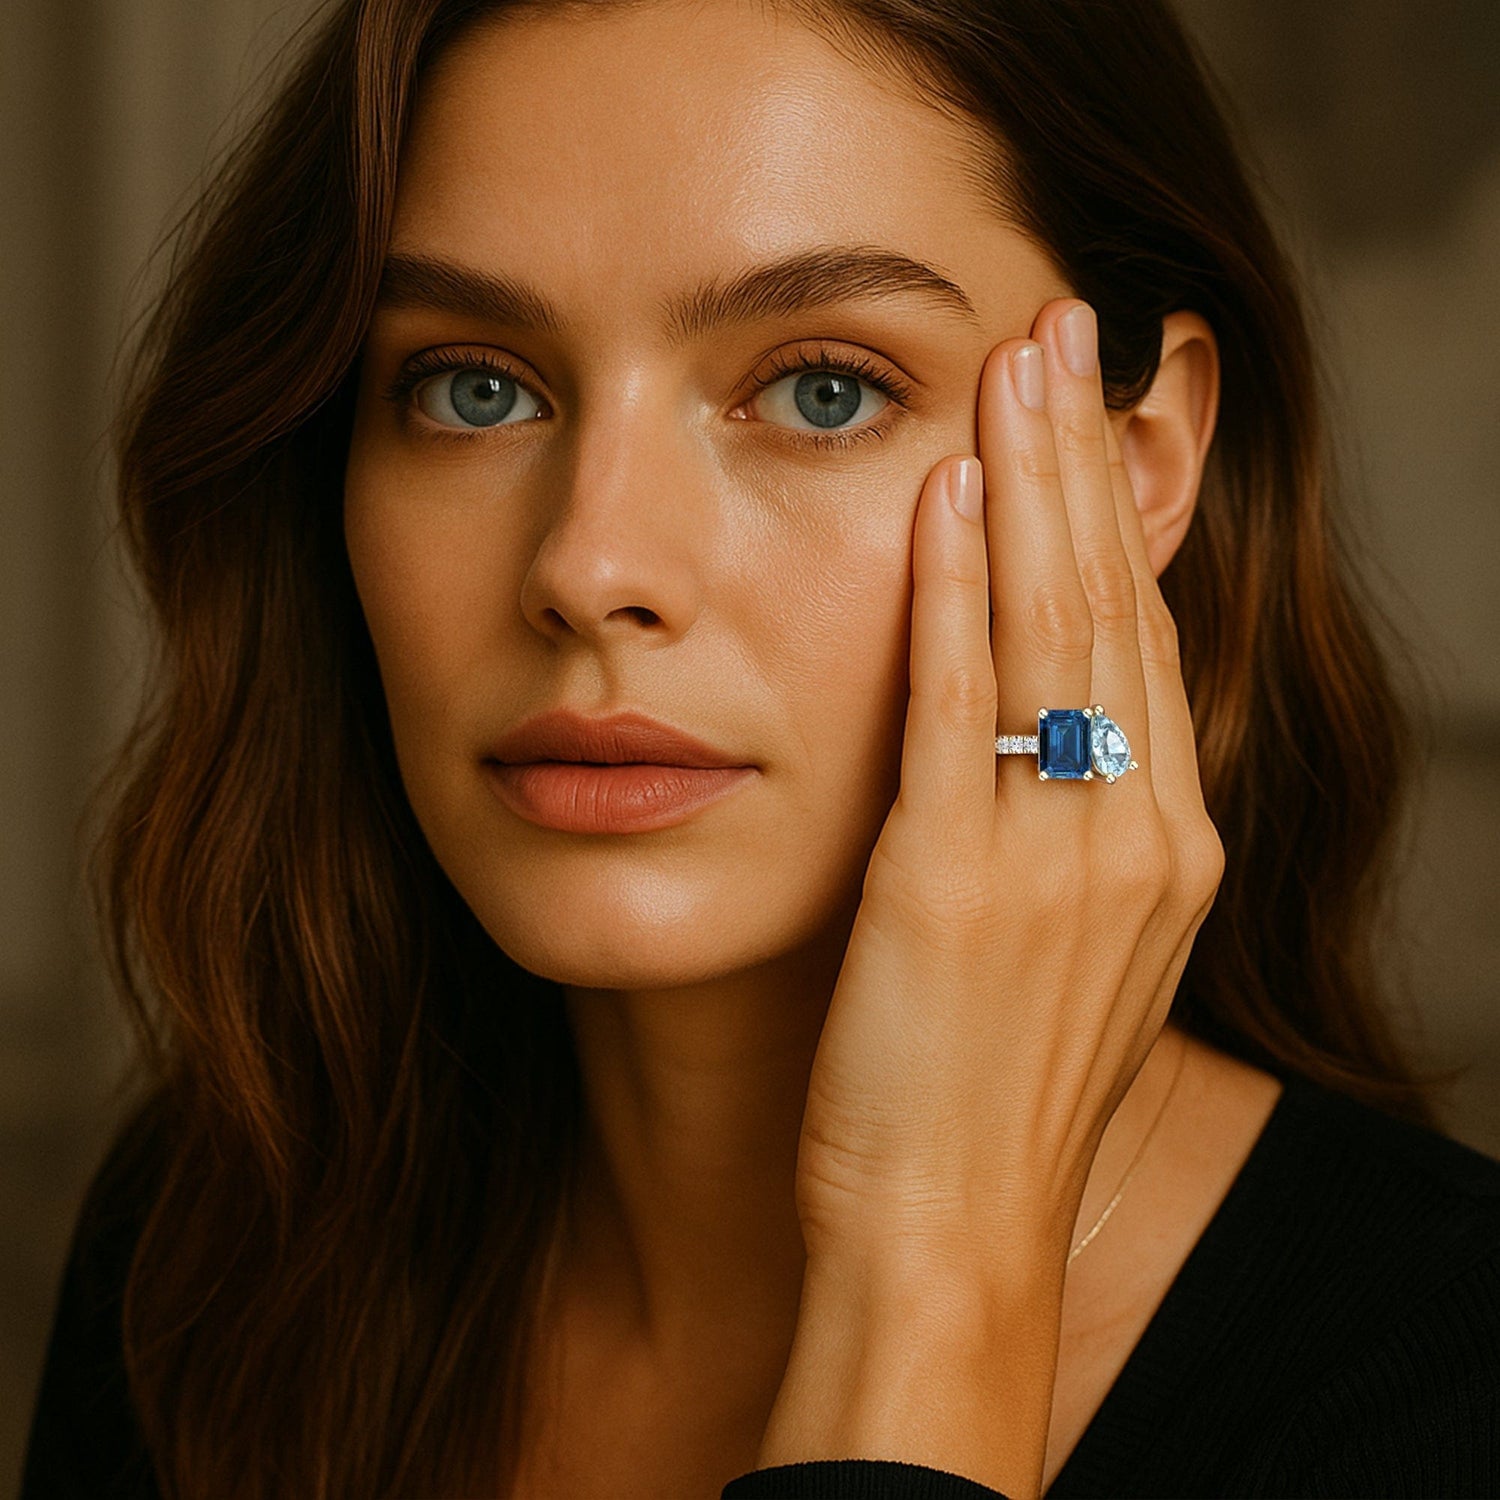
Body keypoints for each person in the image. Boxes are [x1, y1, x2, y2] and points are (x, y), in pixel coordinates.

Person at [21, 0, 1500, 1496]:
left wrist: (936, 1280)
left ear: (1136, 463)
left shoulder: (1445, 1394)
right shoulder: (216, 1251)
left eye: (823, 390)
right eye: (473, 387)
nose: (591, 564)